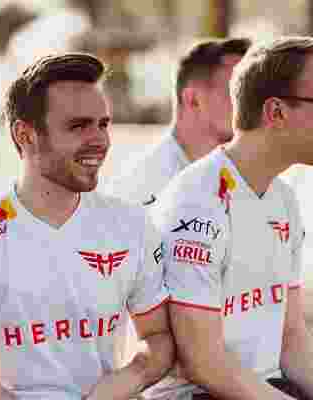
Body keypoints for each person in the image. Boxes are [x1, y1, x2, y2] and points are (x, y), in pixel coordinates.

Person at [0, 53, 174, 399]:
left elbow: (159, 338)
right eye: (78, 126)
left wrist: (126, 380)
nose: (99, 140)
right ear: (25, 135)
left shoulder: (131, 224)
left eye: (103, 124)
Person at [147, 36, 313, 399]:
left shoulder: (283, 198)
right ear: (276, 112)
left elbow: (292, 338)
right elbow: (205, 363)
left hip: (264, 387)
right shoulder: (196, 203)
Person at [104, 37, 251, 366]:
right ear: (193, 99)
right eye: (238, 90)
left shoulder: (254, 181)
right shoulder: (137, 190)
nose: (251, 104)